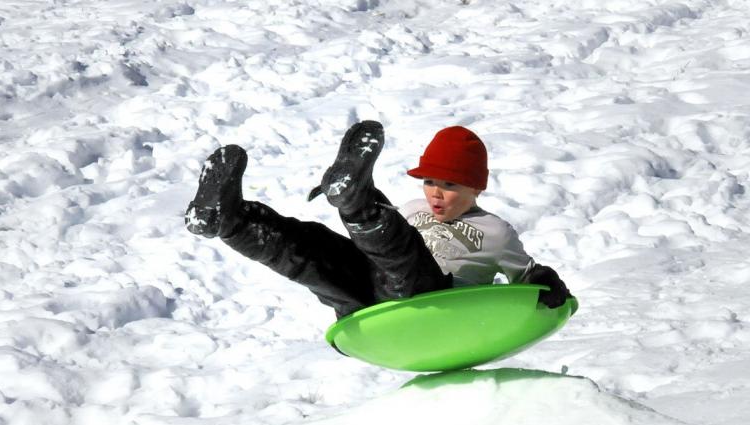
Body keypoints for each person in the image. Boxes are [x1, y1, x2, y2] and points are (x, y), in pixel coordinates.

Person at [184, 120, 570, 319]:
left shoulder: (496, 231)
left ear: (476, 188)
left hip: (434, 301)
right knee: (313, 255)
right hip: (368, 297)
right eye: (429, 182)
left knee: (403, 259)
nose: (435, 193)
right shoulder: (412, 211)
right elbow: (379, 253)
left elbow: (527, 279)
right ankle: (230, 222)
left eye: (450, 185)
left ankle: (356, 201)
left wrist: (547, 284)